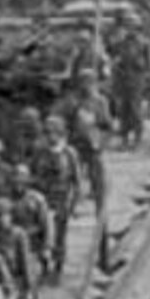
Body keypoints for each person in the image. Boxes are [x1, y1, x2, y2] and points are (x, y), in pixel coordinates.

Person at [32, 115, 81, 279]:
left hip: (61, 199)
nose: (51, 136)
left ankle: (58, 268)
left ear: (61, 134)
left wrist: (73, 203)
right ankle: (44, 266)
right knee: (41, 235)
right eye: (47, 133)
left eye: (54, 133)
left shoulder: (69, 153)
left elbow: (77, 181)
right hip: (43, 199)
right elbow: (32, 174)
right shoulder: (40, 152)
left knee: (59, 237)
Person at [57, 69, 111, 212]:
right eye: (83, 82)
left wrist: (102, 144)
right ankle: (71, 208)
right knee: (71, 179)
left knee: (99, 184)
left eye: (89, 82)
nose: (86, 86)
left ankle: (101, 216)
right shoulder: (72, 102)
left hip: (93, 146)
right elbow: (64, 123)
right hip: (76, 146)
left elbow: (106, 126)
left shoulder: (100, 102)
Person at [110, 11, 150, 150]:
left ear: (137, 27)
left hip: (137, 79)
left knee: (135, 110)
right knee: (123, 111)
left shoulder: (144, 43)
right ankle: (124, 138)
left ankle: (137, 138)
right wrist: (115, 80)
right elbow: (114, 63)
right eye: (127, 26)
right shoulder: (119, 43)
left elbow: (149, 66)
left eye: (132, 26)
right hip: (123, 79)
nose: (129, 29)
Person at [0, 198, 36, 299]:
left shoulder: (19, 234)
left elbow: (25, 261)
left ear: (10, 216)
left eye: (3, 215)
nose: (0, 219)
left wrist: (28, 286)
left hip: (16, 280)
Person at [11, 163, 54, 277]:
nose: (18, 183)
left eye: (21, 180)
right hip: (13, 247)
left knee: (32, 279)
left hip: (33, 246)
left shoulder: (37, 199)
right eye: (16, 180)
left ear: (27, 181)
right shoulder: (7, 198)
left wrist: (47, 248)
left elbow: (47, 225)